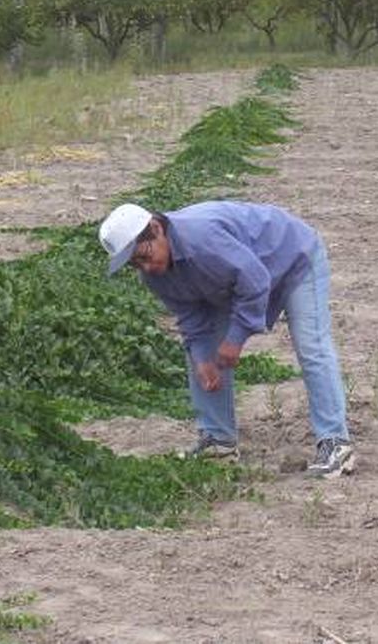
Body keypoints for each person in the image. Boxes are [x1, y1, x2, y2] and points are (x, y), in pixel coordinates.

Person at [98, 200, 355, 477]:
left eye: (144, 255)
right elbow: (191, 317)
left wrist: (235, 339)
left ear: (157, 228)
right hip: (230, 280)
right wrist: (202, 359)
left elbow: (256, 282)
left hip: (292, 256)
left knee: (311, 347)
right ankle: (218, 441)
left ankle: (335, 443)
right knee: (202, 356)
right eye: (135, 263)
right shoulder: (153, 275)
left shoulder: (202, 241)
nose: (146, 267)